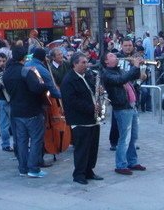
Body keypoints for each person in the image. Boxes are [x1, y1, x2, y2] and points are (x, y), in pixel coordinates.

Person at [3, 46, 48, 178]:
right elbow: (36, 88)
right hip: (31, 110)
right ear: (24, 57)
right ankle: (33, 168)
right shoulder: (26, 71)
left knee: (21, 141)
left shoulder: (7, 73)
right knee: (36, 139)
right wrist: (45, 85)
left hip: (16, 110)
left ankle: (22, 168)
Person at [60, 53, 103, 185]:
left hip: (92, 119)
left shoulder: (87, 76)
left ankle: (89, 171)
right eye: (83, 63)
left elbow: (91, 92)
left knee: (92, 148)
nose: (86, 65)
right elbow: (72, 101)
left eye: (86, 62)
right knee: (82, 149)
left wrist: (99, 92)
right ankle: (79, 174)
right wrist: (91, 107)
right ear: (75, 64)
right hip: (80, 120)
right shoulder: (69, 80)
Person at [101, 52, 146, 175]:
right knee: (124, 138)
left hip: (131, 106)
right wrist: (135, 66)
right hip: (122, 108)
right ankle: (120, 165)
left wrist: (137, 67)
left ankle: (132, 162)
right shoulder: (107, 74)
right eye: (110, 55)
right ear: (106, 61)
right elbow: (121, 80)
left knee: (133, 137)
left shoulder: (119, 70)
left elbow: (132, 77)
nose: (115, 56)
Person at [0, 52, 12, 152]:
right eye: (0, 61)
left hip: (3, 99)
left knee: (4, 124)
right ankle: (6, 144)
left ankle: (6, 144)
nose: (1, 63)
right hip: (2, 99)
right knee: (6, 124)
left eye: (3, 61)